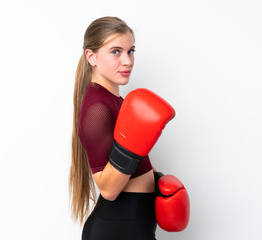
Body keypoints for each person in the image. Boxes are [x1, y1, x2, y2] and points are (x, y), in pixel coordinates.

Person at [69, 16, 187, 240]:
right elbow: (108, 189)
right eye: (116, 52)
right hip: (118, 228)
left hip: (131, 224)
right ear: (91, 57)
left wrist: (154, 179)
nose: (127, 61)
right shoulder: (98, 108)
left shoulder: (116, 101)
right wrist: (131, 151)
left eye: (130, 51)